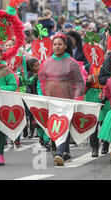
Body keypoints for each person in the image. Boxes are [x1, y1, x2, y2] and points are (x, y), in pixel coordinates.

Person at [37, 33, 85, 166]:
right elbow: (41, 80)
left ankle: (59, 153)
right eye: (55, 44)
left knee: (63, 126)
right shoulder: (46, 62)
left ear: (65, 46)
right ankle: (65, 152)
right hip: (51, 100)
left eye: (60, 44)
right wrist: (42, 96)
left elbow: (80, 82)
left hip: (67, 99)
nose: (57, 47)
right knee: (54, 126)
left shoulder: (72, 62)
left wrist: (76, 98)